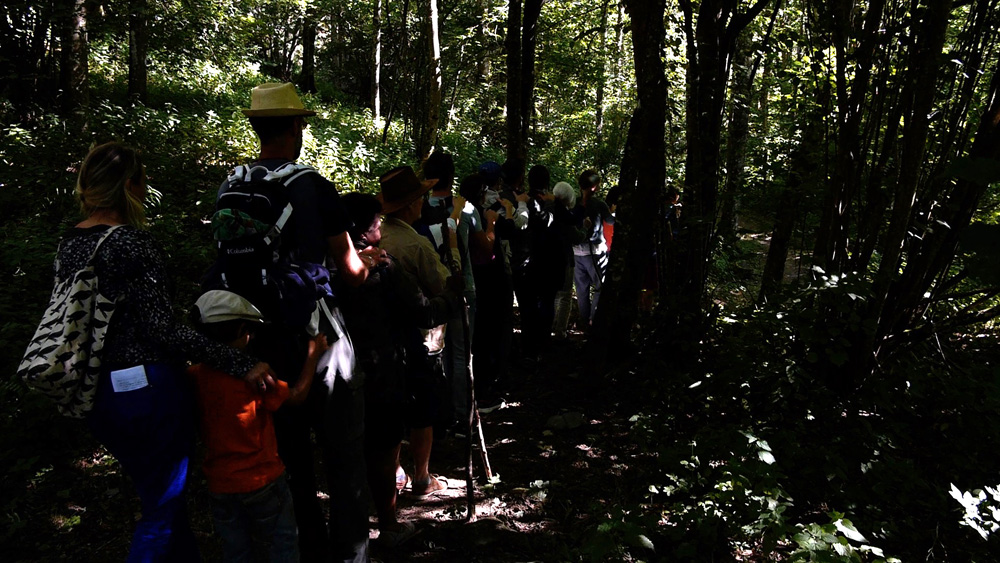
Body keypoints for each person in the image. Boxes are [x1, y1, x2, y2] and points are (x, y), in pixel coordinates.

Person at [59, 141, 273, 561]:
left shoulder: (72, 242)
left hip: (100, 393)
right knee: (162, 512)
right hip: (147, 393)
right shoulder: (134, 244)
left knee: (160, 501)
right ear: (130, 185)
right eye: (142, 178)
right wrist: (238, 361)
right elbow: (162, 329)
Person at [217, 82, 380, 563]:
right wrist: (372, 262)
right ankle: (351, 555)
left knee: (290, 459)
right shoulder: (311, 184)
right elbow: (350, 272)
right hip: (318, 339)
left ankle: (307, 549)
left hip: (259, 343)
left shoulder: (231, 183)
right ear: (295, 126)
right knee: (346, 457)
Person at [338, 192, 459, 545]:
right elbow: (423, 311)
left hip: (342, 365)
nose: (381, 226)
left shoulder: (329, 261)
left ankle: (354, 525)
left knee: (354, 446)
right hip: (382, 365)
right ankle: (388, 523)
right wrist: (451, 297)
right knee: (384, 441)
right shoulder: (382, 265)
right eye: (376, 222)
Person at [189, 290, 329, 563]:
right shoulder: (256, 378)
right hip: (263, 480)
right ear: (243, 330)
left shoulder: (193, 376)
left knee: (236, 552)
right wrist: (313, 354)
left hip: (220, 484)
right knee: (282, 548)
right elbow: (297, 396)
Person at [377, 165, 461, 498]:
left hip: (380, 340)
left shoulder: (376, 235)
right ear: (413, 204)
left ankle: (395, 472)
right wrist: (452, 251)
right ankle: (422, 476)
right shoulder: (415, 245)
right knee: (421, 407)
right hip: (418, 338)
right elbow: (442, 284)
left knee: (392, 406)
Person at [571, 169, 615, 331]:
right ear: (595, 187)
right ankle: (593, 320)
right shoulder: (599, 204)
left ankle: (584, 321)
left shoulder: (573, 202)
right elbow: (610, 221)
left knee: (582, 290)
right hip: (596, 252)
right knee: (600, 287)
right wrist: (614, 211)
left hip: (577, 251)